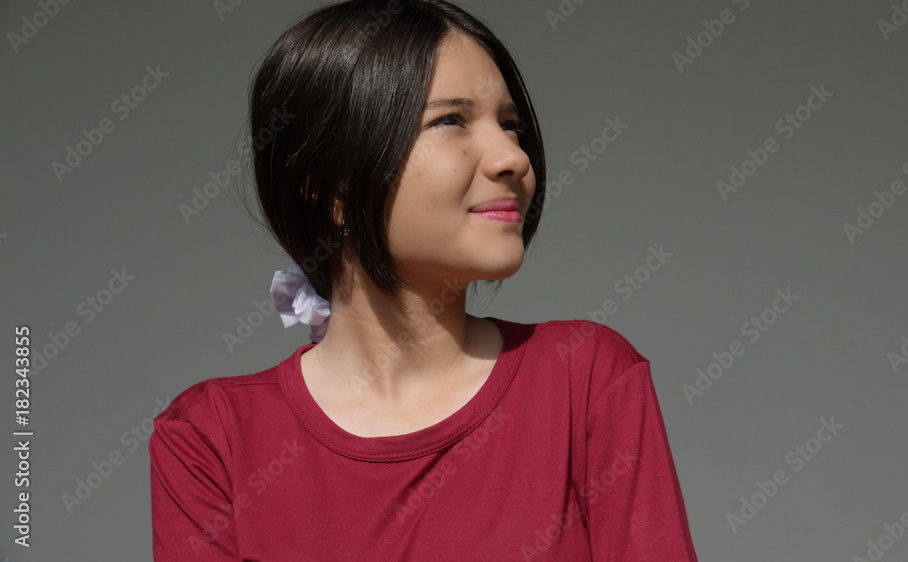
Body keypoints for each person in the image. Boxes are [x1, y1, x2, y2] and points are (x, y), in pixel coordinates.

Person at [149, 0, 698, 559]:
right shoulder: (211, 438)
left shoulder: (586, 379)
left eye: (510, 125)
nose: (512, 157)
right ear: (331, 183)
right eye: (450, 120)